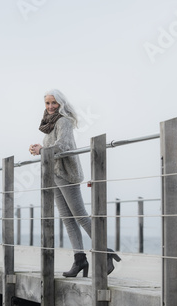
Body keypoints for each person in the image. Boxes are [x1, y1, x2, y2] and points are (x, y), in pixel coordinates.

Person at [29, 89, 121, 277]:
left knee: (80, 216)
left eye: (54, 102)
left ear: (61, 103)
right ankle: (80, 260)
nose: (50, 106)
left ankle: (105, 252)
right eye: (47, 103)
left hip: (66, 174)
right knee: (67, 219)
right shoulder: (49, 124)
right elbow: (52, 147)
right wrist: (38, 148)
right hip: (54, 174)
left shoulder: (64, 121)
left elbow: (63, 146)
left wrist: (42, 149)